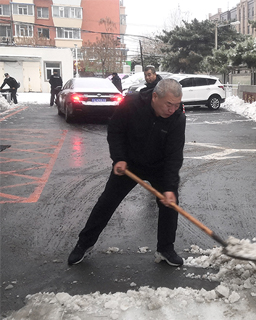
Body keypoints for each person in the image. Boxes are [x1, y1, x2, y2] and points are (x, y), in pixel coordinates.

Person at [67, 78, 186, 267]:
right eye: (169, 104)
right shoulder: (131, 104)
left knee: (170, 204)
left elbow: (174, 155)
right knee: (106, 202)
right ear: (155, 97)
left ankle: (165, 249)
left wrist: (170, 187)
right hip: (129, 164)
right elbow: (115, 131)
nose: (172, 110)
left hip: (159, 167)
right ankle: (84, 244)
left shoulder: (178, 118)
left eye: (177, 105)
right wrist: (119, 158)